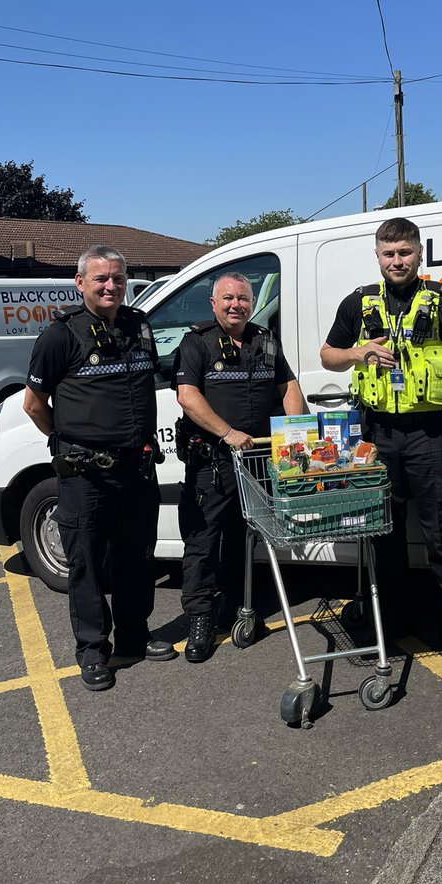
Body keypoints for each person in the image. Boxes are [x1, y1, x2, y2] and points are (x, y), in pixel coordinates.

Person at [320, 217, 442, 660]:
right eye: (389, 254)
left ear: (419, 254)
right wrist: (359, 351)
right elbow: (328, 355)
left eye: (405, 252)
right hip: (379, 434)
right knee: (383, 535)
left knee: (441, 534)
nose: (397, 261)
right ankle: (389, 619)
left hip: (431, 435)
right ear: (377, 256)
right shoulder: (358, 304)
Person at [23, 245, 176, 691]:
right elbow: (34, 404)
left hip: (137, 467)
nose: (111, 287)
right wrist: (70, 439)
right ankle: (93, 650)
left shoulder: (139, 327)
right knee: (87, 563)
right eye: (101, 279)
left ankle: (133, 635)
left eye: (117, 279)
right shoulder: (60, 337)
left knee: (136, 557)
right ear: (81, 283)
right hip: (85, 474)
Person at [173, 272, 305, 661]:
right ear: (213, 304)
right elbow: (187, 396)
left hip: (258, 460)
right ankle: (200, 619)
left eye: (243, 298)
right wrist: (227, 432)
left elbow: (289, 387)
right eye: (228, 298)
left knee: (242, 538)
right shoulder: (196, 343)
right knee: (202, 542)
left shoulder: (265, 340)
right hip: (212, 462)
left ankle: (234, 606)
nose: (236, 305)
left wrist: (292, 435)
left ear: (252, 303)